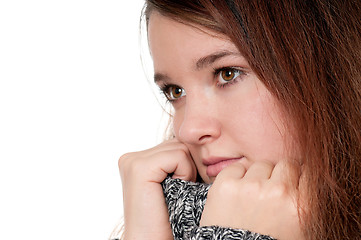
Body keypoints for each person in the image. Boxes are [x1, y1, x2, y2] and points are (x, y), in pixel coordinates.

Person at [115, 0, 361, 239]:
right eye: (175, 91)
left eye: (227, 74)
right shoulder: (170, 213)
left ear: (328, 73)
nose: (188, 130)